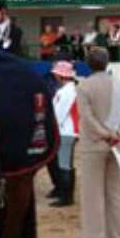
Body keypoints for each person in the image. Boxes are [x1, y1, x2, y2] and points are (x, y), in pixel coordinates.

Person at [75, 47, 120, 238]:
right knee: (115, 194)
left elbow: (87, 118)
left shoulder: (84, 86)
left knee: (92, 195)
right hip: (117, 144)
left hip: (94, 144)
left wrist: (105, 134)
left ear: (88, 63)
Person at [50, 60, 78, 207]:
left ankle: (66, 196)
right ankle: (64, 193)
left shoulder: (67, 92)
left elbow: (59, 113)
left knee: (64, 164)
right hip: (66, 130)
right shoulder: (68, 90)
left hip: (65, 131)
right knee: (64, 162)